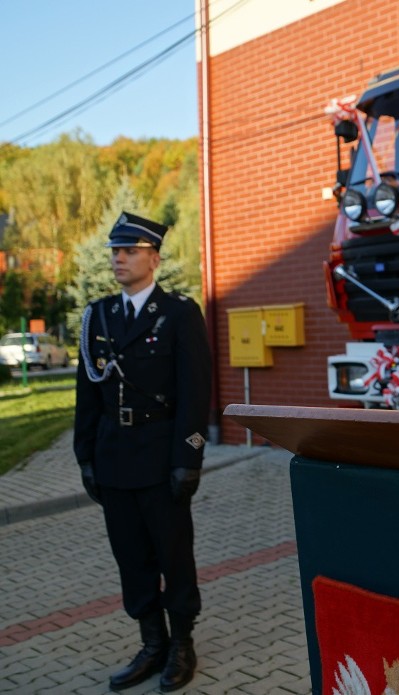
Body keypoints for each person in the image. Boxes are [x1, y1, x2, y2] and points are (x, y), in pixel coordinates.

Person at [74, 211, 212, 692]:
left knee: (173, 557)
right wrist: (85, 458)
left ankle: (182, 645)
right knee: (131, 559)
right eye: (115, 251)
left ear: (153, 258)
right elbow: (87, 394)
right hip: (114, 459)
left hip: (160, 459)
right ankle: (151, 644)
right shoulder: (99, 316)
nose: (118, 258)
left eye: (129, 250)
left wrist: (189, 457)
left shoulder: (178, 313)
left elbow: (196, 393)